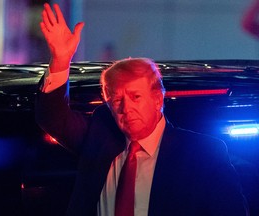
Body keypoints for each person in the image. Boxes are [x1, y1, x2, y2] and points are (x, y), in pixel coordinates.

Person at [35, 3, 249, 216]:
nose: (126, 107)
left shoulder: (202, 152)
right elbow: (52, 118)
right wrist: (61, 61)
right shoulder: (100, 136)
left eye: (136, 97)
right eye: (117, 99)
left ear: (158, 99)